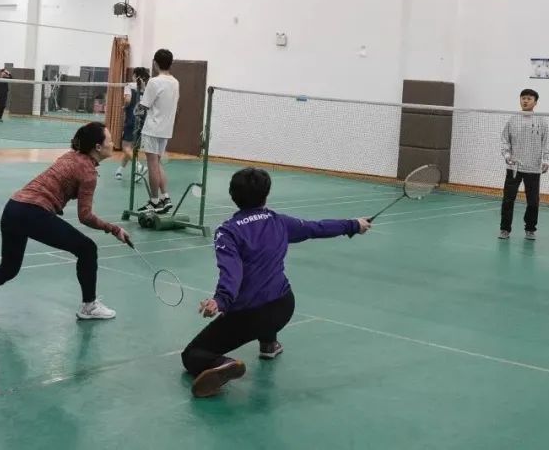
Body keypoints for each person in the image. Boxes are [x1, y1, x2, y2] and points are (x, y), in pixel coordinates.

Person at [182, 167, 371, 398]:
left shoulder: (227, 232)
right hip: (283, 308)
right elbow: (316, 228)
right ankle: (269, 345)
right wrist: (354, 224)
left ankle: (225, 364)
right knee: (268, 293)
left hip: (248, 316)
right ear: (266, 195)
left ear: (232, 195)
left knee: (193, 355)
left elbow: (232, 273)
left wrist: (220, 301)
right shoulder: (278, 222)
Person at [0, 121, 131, 321]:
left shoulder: (70, 156)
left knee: (7, 270)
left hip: (13, 208)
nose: (112, 143)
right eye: (109, 140)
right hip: (33, 212)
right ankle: (89, 306)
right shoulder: (88, 173)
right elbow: (85, 216)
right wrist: (114, 229)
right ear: (98, 147)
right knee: (87, 249)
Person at [498, 88, 549, 240]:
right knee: (508, 200)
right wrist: (507, 156)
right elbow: (505, 140)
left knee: (533, 202)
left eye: (529, 98)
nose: (525, 101)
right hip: (514, 167)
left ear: (535, 102)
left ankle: (530, 229)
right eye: (523, 98)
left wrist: (546, 160)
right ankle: (505, 229)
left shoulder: (541, 121)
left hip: (533, 168)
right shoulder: (513, 119)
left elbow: (546, 142)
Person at [136, 49, 180, 214]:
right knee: (157, 163)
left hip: (152, 129)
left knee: (152, 164)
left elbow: (143, 106)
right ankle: (165, 197)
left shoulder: (154, 82)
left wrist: (141, 92)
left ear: (155, 63)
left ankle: (154, 201)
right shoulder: (175, 82)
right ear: (170, 63)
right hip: (166, 129)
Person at [115, 67, 150, 180]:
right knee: (131, 149)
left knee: (125, 147)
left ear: (135, 75)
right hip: (142, 121)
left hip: (131, 120)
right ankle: (120, 170)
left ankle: (139, 167)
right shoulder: (147, 88)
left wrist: (124, 106)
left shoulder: (129, 85)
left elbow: (128, 100)